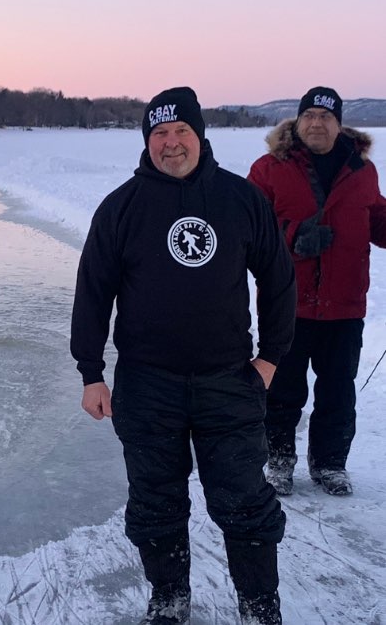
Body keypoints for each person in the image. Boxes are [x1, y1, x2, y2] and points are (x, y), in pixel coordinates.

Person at [70, 87, 296, 625]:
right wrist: (91, 372)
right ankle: (169, 597)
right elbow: (93, 292)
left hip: (228, 380)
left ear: (200, 136)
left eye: (181, 133)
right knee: (155, 504)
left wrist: (270, 357)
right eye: (160, 134)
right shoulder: (122, 206)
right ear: (148, 141)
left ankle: (259, 607)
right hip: (148, 385)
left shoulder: (240, 199)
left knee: (244, 502)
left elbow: (278, 278)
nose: (171, 144)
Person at [248, 86, 386, 497]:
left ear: (339, 124)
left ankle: (329, 463)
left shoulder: (362, 171)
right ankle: (279, 459)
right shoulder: (269, 168)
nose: (317, 123)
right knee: (283, 388)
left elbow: (377, 220)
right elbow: (248, 227)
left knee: (338, 390)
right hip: (287, 304)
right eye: (309, 115)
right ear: (297, 121)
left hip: (345, 306)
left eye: (326, 117)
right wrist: (292, 237)